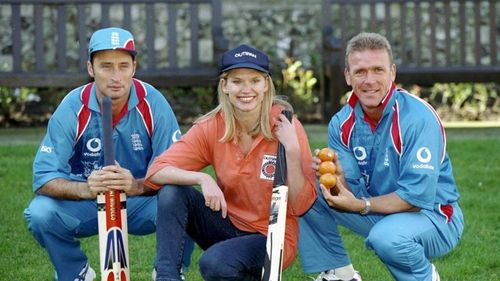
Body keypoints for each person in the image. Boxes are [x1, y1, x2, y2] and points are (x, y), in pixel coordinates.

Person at [23, 27, 193, 281]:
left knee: (188, 202)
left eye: (123, 66)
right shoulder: (72, 106)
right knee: (40, 214)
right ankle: (75, 272)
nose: (116, 76)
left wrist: (135, 185)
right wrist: (86, 189)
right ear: (90, 68)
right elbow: (44, 177)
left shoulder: (153, 102)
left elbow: (175, 168)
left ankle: (168, 271)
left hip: (140, 201)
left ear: (134, 67)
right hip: (87, 201)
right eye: (106, 66)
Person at [143, 44, 317, 281]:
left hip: (271, 236)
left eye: (255, 80)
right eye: (237, 81)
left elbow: (301, 204)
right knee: (173, 191)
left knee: (214, 264)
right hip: (227, 224)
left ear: (266, 84)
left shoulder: (285, 125)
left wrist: (293, 151)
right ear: (224, 86)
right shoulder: (213, 125)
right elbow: (156, 172)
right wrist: (202, 178)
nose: (246, 89)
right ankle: (166, 277)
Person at [299, 32, 464, 281]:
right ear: (347, 76)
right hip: (380, 212)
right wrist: (336, 179)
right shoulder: (341, 123)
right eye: (360, 71)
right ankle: (339, 275)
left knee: (386, 238)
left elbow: (414, 199)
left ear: (392, 72)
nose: (369, 81)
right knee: (306, 187)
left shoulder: (418, 118)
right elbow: (350, 191)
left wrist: (361, 205)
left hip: (434, 217)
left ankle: (424, 277)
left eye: (378, 70)